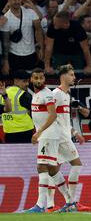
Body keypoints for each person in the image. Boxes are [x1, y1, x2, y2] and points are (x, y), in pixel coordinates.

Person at [22, 68, 73, 213]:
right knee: (52, 169)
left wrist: (38, 132)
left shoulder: (47, 94)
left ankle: (40, 205)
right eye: (36, 78)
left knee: (41, 167)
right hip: (46, 135)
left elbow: (53, 115)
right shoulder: (36, 95)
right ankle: (70, 200)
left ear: (44, 79)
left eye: (41, 78)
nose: (39, 80)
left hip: (49, 135)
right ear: (31, 80)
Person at [49, 64, 91, 212]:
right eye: (71, 75)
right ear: (63, 76)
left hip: (64, 135)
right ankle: (71, 203)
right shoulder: (56, 94)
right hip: (59, 137)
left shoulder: (66, 95)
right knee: (77, 164)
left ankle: (62, 202)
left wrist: (75, 133)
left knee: (53, 170)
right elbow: (49, 116)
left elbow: (63, 120)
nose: (74, 77)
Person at [1, 0, 44, 75]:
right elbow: (5, 42)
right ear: (9, 1)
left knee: (30, 80)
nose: (17, 1)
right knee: (16, 80)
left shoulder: (30, 12)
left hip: (30, 53)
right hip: (14, 55)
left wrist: (41, 47)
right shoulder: (6, 17)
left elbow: (38, 29)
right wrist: (6, 61)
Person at [45, 11, 91, 75]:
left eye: (56, 22)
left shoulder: (77, 27)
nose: (53, 23)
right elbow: (48, 47)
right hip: (59, 53)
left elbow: (85, 48)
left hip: (76, 53)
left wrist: (89, 66)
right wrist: (47, 66)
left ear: (65, 23)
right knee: (57, 73)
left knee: (79, 73)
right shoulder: (52, 27)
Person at [2, 70, 34, 143]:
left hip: (9, 131)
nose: (27, 84)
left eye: (28, 81)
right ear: (16, 81)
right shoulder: (24, 95)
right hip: (25, 131)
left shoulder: (3, 92)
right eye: (24, 81)